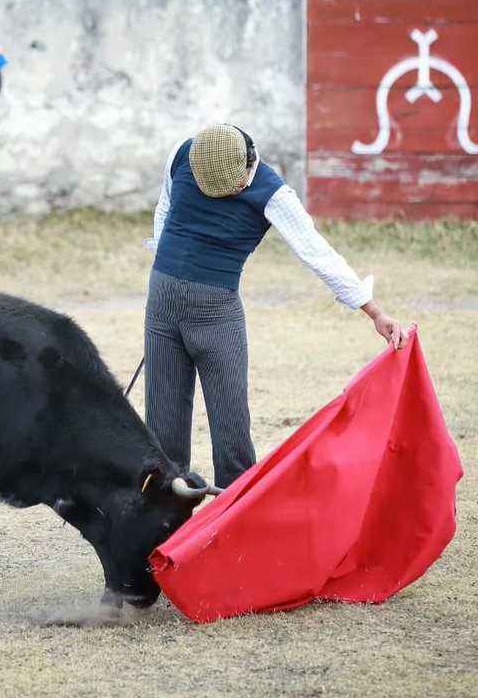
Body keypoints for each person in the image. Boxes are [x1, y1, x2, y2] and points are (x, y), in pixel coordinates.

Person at [143, 122, 408, 490]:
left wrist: (374, 311)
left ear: (246, 165)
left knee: (231, 433)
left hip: (210, 310)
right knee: (161, 430)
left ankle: (232, 526)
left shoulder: (273, 193)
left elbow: (315, 252)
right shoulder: (184, 153)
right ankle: (160, 528)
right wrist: (166, 270)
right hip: (163, 302)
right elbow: (165, 209)